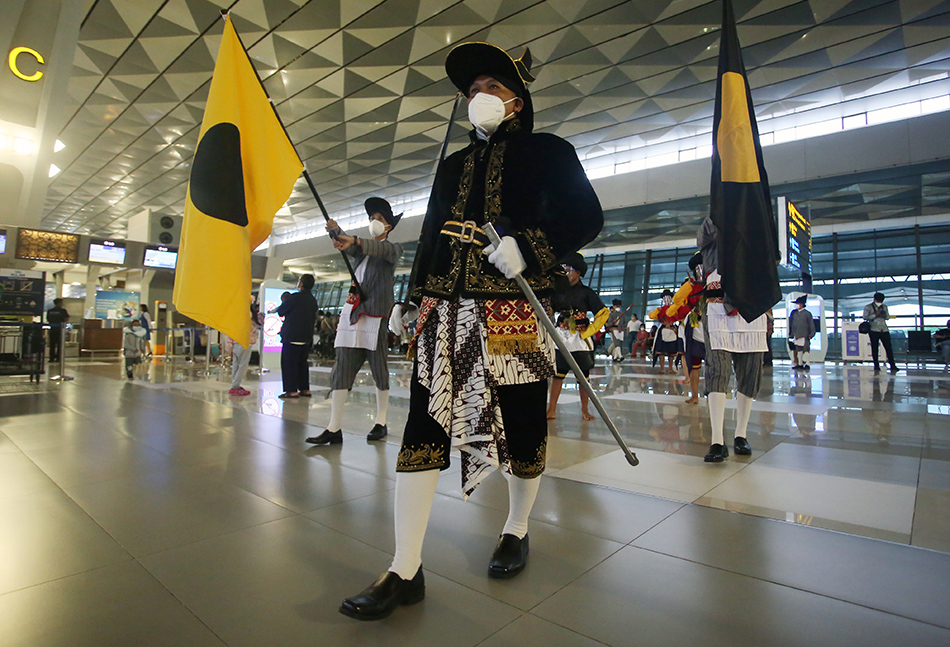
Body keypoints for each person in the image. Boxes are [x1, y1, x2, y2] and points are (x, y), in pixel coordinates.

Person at [339, 41, 603, 621]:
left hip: (513, 312)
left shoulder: (548, 152)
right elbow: (433, 233)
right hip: (445, 314)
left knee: (524, 421)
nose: (478, 96)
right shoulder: (452, 165)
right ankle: (404, 567)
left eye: (491, 86)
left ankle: (517, 525)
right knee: (423, 428)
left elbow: (586, 216)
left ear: (517, 99)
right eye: (471, 89)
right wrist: (412, 298)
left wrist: (530, 249)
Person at [306, 197, 403, 445]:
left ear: (389, 226)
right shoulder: (361, 251)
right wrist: (336, 232)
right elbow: (348, 245)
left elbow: (374, 247)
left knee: (379, 369)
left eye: (379, 219)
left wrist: (355, 240)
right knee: (342, 368)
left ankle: (381, 421)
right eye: (372, 218)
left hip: (376, 317)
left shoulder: (392, 249)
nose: (374, 222)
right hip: (353, 313)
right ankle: (333, 427)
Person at [697, 215, 768, 463]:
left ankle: (741, 434)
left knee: (750, 371)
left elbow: (774, 257)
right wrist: (722, 210)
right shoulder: (712, 230)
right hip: (718, 307)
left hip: (751, 306)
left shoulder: (758, 230)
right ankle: (717, 439)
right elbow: (704, 234)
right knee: (717, 369)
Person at [546, 253, 609, 421]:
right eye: (564, 269)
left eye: (569, 269)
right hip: (561, 337)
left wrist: (589, 331)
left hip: (580, 339)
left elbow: (603, 313)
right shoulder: (558, 290)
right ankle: (551, 409)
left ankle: (585, 409)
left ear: (578, 272)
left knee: (583, 378)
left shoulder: (587, 292)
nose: (566, 273)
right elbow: (549, 310)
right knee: (558, 375)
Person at [275, 274, 317, 398]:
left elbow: (281, 311)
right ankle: (305, 389)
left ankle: (291, 390)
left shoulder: (295, 298)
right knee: (302, 363)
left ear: (301, 284)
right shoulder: (313, 300)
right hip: (306, 337)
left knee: (289, 364)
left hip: (292, 335)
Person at [229, 299, 262, 396]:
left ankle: (235, 385)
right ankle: (235, 386)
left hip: (236, 342)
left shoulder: (237, 315)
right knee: (242, 366)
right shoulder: (248, 316)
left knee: (236, 364)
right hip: (245, 343)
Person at [863, 292, 899, 373]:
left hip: (884, 329)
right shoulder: (868, 307)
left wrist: (884, 315)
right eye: (879, 300)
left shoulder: (884, 306)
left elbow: (887, 317)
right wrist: (875, 314)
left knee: (888, 348)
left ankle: (892, 365)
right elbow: (865, 317)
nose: (880, 302)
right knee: (875, 348)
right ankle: (876, 365)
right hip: (873, 329)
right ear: (875, 299)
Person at [788, 295, 816, 370]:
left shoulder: (807, 314)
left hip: (804, 335)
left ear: (802, 304)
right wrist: (791, 333)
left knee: (806, 349)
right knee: (798, 350)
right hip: (796, 335)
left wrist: (811, 334)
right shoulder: (794, 313)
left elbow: (811, 324)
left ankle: (807, 364)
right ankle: (799, 364)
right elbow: (791, 324)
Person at [46, 298, 70, 363]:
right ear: (59, 303)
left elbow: (48, 319)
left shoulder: (50, 311)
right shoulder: (63, 311)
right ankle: (58, 358)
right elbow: (66, 318)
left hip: (52, 329)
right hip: (60, 330)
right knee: (60, 345)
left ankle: (51, 358)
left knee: (52, 344)